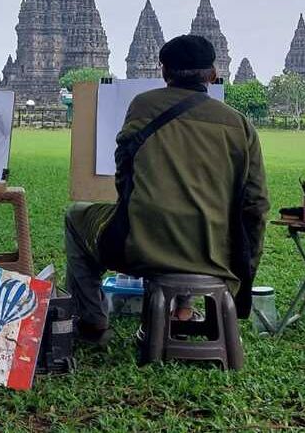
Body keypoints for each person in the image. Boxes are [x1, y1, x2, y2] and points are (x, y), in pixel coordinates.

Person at [64, 34, 270, 345]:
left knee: (75, 217)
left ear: (163, 72)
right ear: (213, 74)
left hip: (141, 246)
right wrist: (243, 267)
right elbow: (256, 205)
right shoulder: (238, 124)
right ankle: (180, 313)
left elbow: (124, 175)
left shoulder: (144, 106)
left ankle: (92, 322)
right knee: (190, 220)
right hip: (215, 254)